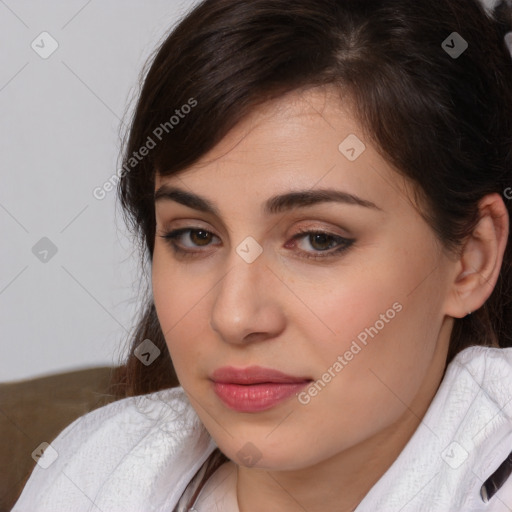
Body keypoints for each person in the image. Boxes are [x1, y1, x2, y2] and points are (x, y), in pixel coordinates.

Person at [12, 0, 512, 510]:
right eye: (195, 236)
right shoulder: (97, 470)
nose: (234, 317)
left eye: (318, 239)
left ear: (471, 259)